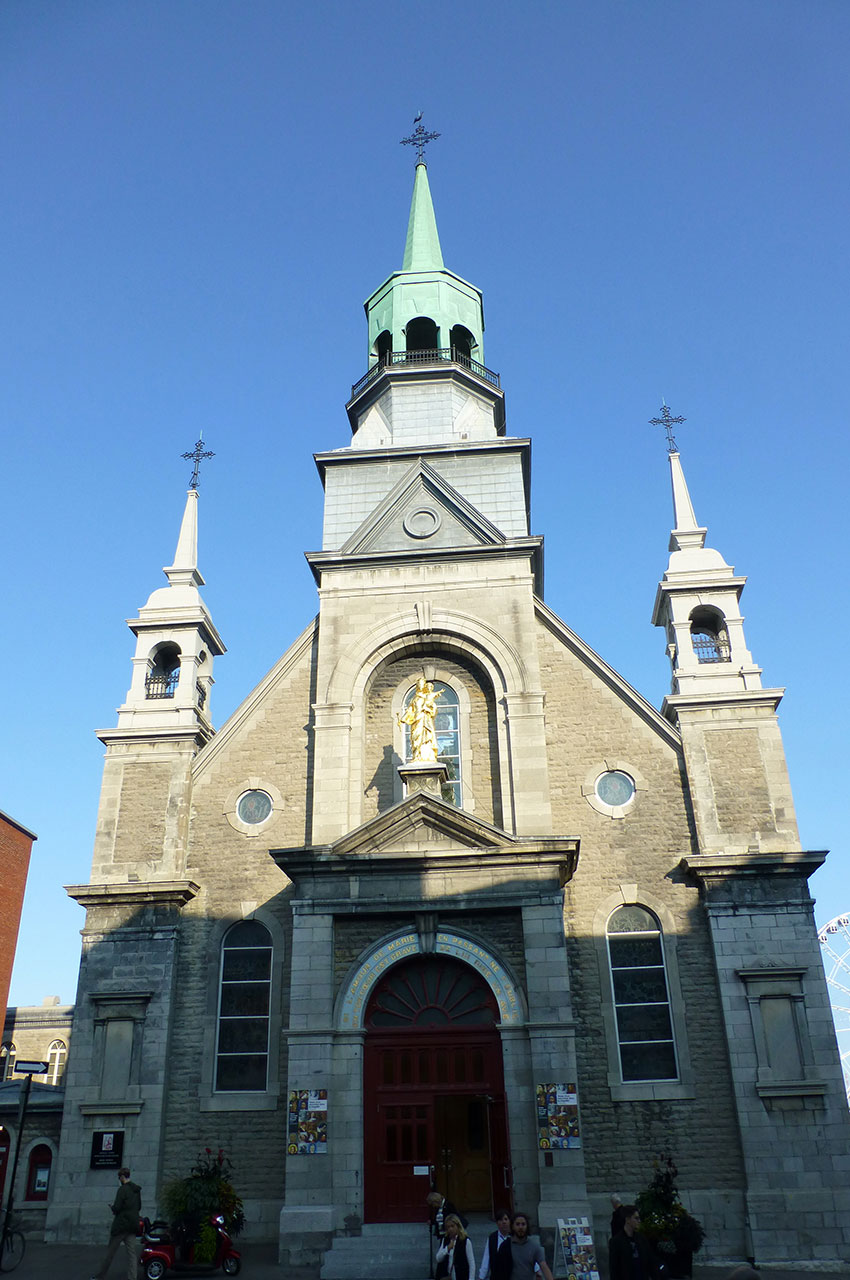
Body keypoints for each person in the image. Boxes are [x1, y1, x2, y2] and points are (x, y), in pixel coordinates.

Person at [90, 1166, 142, 1280]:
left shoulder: (122, 1190)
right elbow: (139, 1206)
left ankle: (100, 1276)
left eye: (119, 1177)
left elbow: (117, 1208)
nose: (119, 1180)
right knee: (132, 1254)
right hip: (132, 1225)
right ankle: (132, 1277)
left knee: (109, 1253)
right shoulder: (136, 1190)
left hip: (121, 1226)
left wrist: (112, 1207)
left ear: (122, 1177)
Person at [399, 677, 442, 761]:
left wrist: (428, 709)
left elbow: (434, 708)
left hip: (425, 719)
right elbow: (410, 710)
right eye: (418, 685)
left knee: (426, 736)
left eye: (421, 685)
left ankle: (427, 756)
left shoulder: (427, 697)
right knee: (415, 737)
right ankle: (416, 756)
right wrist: (403, 719)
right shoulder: (415, 698)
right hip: (416, 720)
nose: (420, 687)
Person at [608, 1205, 656, 1280]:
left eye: (639, 1218)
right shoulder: (616, 1242)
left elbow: (650, 1261)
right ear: (627, 1220)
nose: (639, 1221)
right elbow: (614, 1269)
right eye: (636, 1218)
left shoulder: (641, 1239)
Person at [509, 1212, 553, 1280]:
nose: (520, 1227)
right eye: (517, 1224)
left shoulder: (534, 1247)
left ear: (527, 1226)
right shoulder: (506, 1246)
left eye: (523, 1224)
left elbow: (544, 1266)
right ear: (513, 1226)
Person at [436, 1213, 476, 1280]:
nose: (450, 1229)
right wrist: (447, 1248)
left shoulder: (465, 1241)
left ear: (458, 1226)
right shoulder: (445, 1240)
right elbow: (438, 1258)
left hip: (462, 1276)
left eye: (452, 1226)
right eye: (448, 1227)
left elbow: (472, 1264)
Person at [478, 1209, 513, 1280]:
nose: (504, 1222)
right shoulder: (492, 1238)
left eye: (506, 1219)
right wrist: (481, 1277)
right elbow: (486, 1258)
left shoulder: (515, 1237)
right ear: (497, 1223)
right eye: (501, 1220)